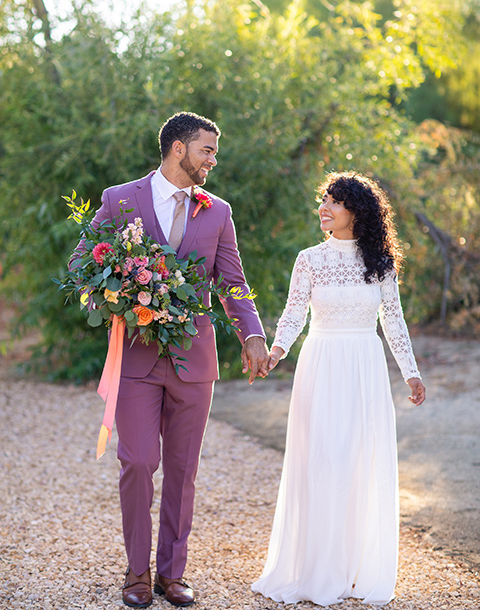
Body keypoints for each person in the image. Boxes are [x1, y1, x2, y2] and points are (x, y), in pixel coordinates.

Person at [73, 112, 269, 608]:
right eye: (207, 149)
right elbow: (82, 262)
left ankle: (171, 574)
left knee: (183, 470)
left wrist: (252, 334)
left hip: (195, 360)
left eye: (214, 152)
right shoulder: (121, 199)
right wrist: (111, 295)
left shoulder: (218, 211)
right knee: (137, 461)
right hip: (137, 357)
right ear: (178, 149)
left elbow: (233, 281)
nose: (213, 159)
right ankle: (136, 573)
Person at [251, 171, 425, 607]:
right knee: (322, 459)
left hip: (364, 366)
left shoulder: (380, 264)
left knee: (358, 462)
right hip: (321, 364)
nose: (324, 209)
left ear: (357, 212)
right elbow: (293, 315)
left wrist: (411, 372)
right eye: (323, 200)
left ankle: (354, 568)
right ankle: (316, 569)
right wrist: (277, 350)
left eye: (335, 202)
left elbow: (394, 320)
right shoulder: (309, 259)